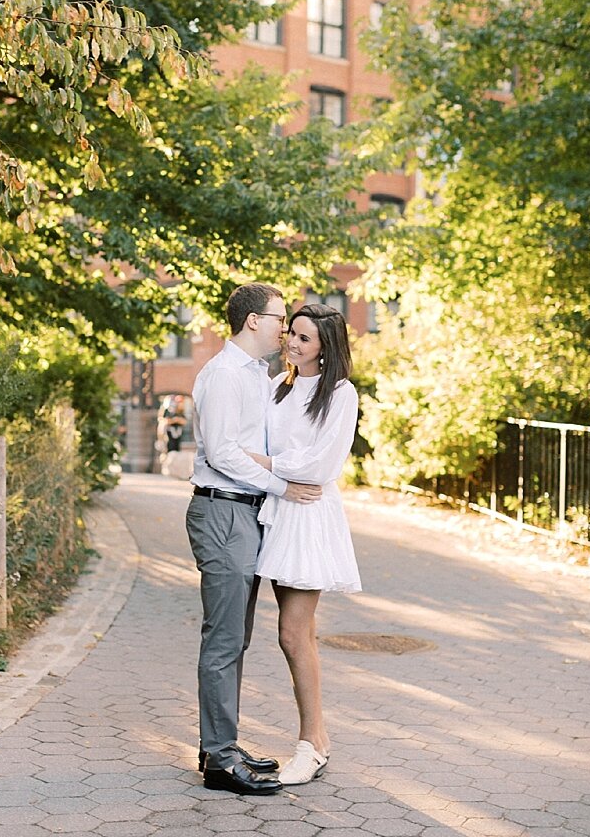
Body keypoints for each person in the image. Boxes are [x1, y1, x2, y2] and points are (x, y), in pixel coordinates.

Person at [186, 282, 323, 796]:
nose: (283, 328)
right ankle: (220, 760)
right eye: (278, 318)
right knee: (223, 638)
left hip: (243, 514)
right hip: (222, 512)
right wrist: (284, 486)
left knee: (234, 637)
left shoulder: (256, 375)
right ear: (252, 321)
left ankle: (218, 744)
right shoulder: (223, 375)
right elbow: (222, 453)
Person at [240, 302, 362, 786]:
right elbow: (262, 449)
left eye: (305, 338)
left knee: (293, 634)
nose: (293, 343)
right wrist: (270, 464)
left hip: (307, 517)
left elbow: (321, 467)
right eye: (292, 332)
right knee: (294, 634)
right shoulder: (278, 385)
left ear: (326, 346)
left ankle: (311, 744)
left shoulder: (341, 394)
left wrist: (265, 462)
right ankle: (319, 739)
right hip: (273, 510)